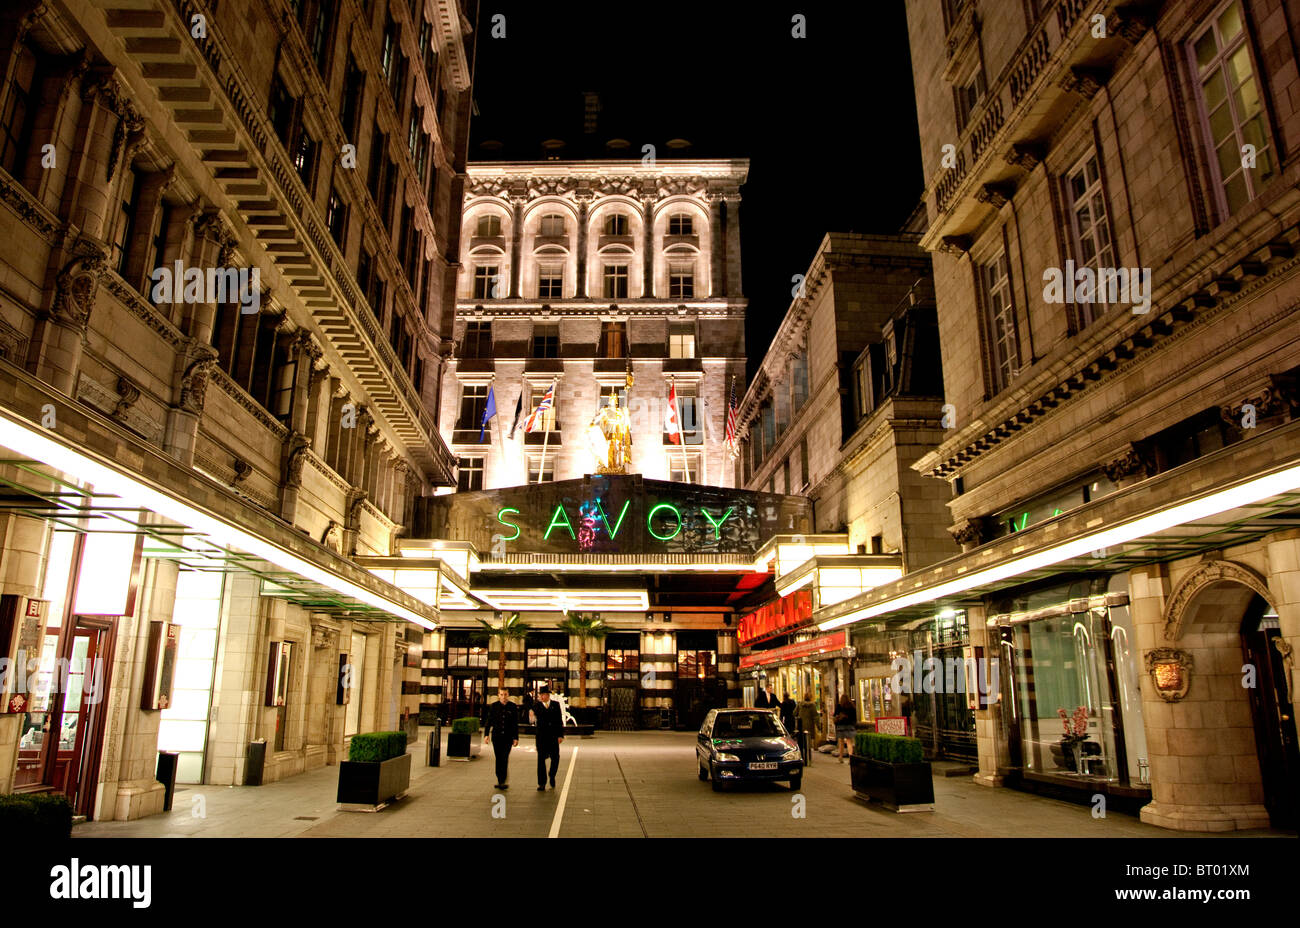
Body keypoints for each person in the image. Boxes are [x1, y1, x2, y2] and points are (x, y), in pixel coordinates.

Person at [483, 688, 519, 790]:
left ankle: (502, 780)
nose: (503, 697)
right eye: (502, 695)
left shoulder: (512, 707)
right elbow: (488, 722)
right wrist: (486, 735)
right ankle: (499, 779)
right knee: (498, 758)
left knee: (504, 758)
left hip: (508, 738)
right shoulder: (494, 706)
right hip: (497, 737)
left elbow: (514, 724)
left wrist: (515, 738)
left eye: (505, 694)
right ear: (498, 695)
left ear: (508, 695)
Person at [533, 685, 565, 790]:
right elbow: (535, 717)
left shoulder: (555, 705)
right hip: (541, 738)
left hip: (553, 737)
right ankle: (541, 783)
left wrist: (560, 735)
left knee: (555, 758)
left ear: (548, 695)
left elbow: (559, 721)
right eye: (540, 695)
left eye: (543, 695)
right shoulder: (537, 706)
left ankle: (552, 775)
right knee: (541, 760)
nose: (542, 697)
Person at [833, 694, 858, 763]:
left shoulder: (839, 706)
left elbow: (835, 715)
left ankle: (841, 757)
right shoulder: (852, 706)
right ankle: (850, 757)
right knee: (849, 742)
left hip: (841, 726)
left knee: (841, 742)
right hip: (849, 726)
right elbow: (854, 717)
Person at [796, 691, 819, 763]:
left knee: (801, 741)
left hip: (801, 725)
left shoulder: (800, 704)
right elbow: (815, 716)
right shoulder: (813, 705)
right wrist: (818, 726)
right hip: (809, 725)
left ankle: (802, 757)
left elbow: (794, 713)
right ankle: (808, 758)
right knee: (808, 742)